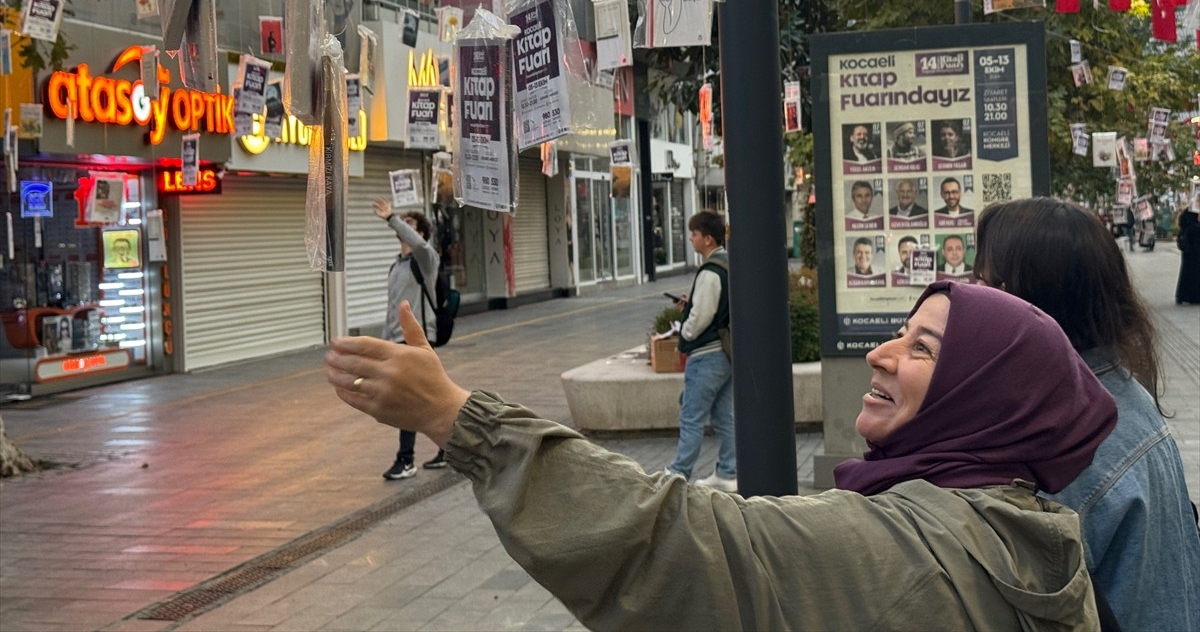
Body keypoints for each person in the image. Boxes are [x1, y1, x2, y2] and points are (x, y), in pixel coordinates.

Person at [326, 281, 1117, 630]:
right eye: (898, 330)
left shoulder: (913, 548)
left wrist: (456, 416)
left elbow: (682, 543)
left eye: (922, 348)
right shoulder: (1033, 529)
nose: (880, 354)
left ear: (986, 395)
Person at [975, 198, 1200, 631]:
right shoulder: (1113, 390)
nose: (971, 299)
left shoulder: (1063, 445)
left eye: (983, 282)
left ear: (1021, 300)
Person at [661, 210, 735, 491]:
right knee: (723, 415)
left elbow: (702, 316)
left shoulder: (710, 271)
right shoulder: (728, 264)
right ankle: (729, 472)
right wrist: (689, 306)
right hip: (727, 354)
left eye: (693, 234)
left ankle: (679, 473)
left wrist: (685, 330)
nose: (690, 238)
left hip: (707, 355)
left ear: (707, 238)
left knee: (691, 416)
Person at [371, 197, 443, 479]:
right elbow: (393, 309)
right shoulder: (397, 266)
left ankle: (406, 460)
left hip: (418, 339)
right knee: (427, 398)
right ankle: (450, 448)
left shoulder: (425, 259)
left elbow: (421, 244)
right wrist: (384, 343)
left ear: (421, 233)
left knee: (408, 400)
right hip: (398, 341)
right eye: (402, 223)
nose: (403, 225)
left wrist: (392, 218)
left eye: (410, 223)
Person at [1176, 204, 1200, 305]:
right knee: (1194, 273)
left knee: (1187, 273)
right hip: (1194, 248)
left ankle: (1183, 295)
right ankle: (1193, 296)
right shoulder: (1193, 212)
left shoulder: (1188, 212)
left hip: (1190, 250)